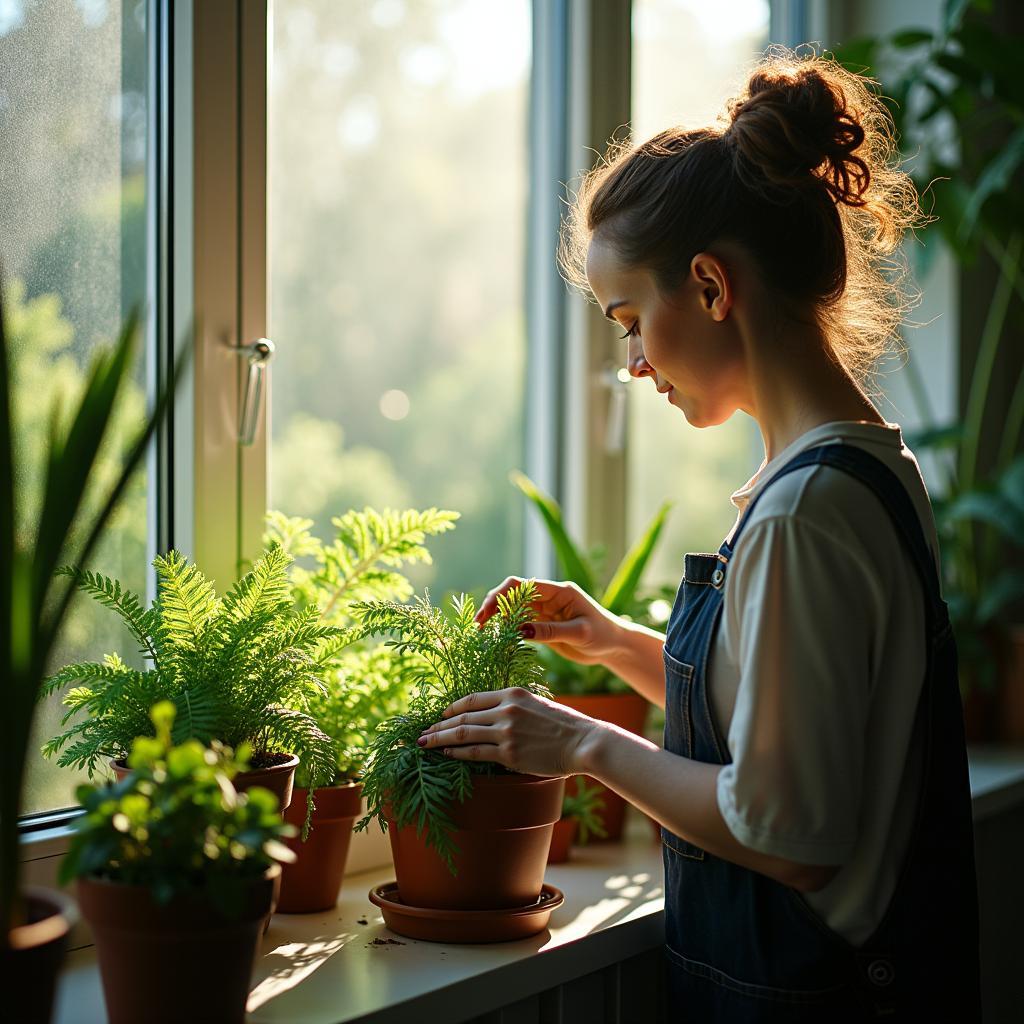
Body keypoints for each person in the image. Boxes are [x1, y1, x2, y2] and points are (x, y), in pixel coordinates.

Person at [417, 48, 981, 1021]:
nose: (634, 362)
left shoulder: (803, 513)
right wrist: (611, 641)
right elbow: (776, 715)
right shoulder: (864, 468)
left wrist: (580, 741)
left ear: (713, 287)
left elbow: (785, 831)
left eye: (631, 320)